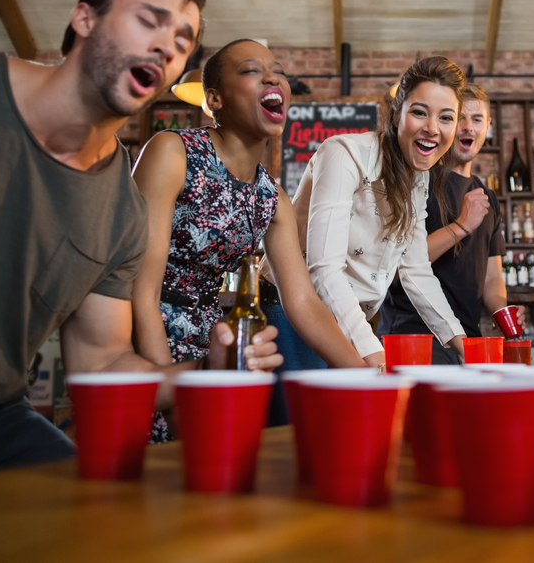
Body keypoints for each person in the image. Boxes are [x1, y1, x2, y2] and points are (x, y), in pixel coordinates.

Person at [0, 0, 281, 483]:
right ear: (84, 18)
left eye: (182, 41)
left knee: (102, 519)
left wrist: (205, 373)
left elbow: (104, 366)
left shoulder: (123, 213)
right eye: (149, 20)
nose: (166, 45)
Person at [131, 39, 368, 441]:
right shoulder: (172, 153)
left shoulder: (271, 198)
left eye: (277, 70)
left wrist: (365, 378)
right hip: (140, 342)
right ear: (214, 100)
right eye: (251, 70)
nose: (273, 76)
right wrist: (168, 391)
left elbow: (303, 302)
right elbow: (141, 290)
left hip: (215, 349)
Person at [261, 55, 469, 375]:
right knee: (301, 424)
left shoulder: (418, 178)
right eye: (419, 112)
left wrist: (464, 346)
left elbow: (415, 270)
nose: (432, 128)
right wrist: (374, 353)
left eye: (446, 118)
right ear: (397, 115)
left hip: (350, 318)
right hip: (291, 311)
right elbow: (324, 268)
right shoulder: (345, 153)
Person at [377, 83, 523, 362]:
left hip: (466, 339)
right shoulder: (418, 180)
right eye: (460, 118)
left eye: (477, 119)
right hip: (415, 335)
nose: (469, 127)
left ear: (488, 126)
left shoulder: (487, 196)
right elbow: (395, 265)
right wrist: (462, 225)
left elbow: (493, 279)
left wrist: (504, 312)